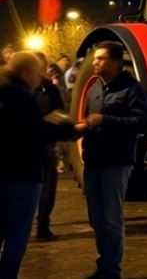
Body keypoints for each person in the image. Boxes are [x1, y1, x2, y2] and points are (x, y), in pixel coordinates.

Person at [74, 41, 147, 279]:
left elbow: (142, 123)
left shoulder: (131, 88)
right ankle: (103, 263)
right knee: (96, 219)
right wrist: (79, 129)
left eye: (102, 58)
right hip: (94, 161)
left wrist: (105, 120)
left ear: (117, 62)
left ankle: (111, 268)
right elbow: (90, 121)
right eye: (95, 58)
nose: (95, 63)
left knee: (111, 219)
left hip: (116, 162)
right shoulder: (95, 89)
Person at [0, 51, 75, 279]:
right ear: (26, 72)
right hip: (22, 174)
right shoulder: (20, 95)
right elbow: (33, 132)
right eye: (37, 72)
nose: (40, 77)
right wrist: (64, 128)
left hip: (6, 172)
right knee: (17, 235)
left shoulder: (6, 89)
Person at [32, 52, 65, 241]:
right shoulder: (23, 89)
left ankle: (42, 225)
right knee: (41, 186)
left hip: (43, 144)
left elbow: (59, 111)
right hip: (33, 145)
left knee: (46, 186)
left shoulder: (48, 89)